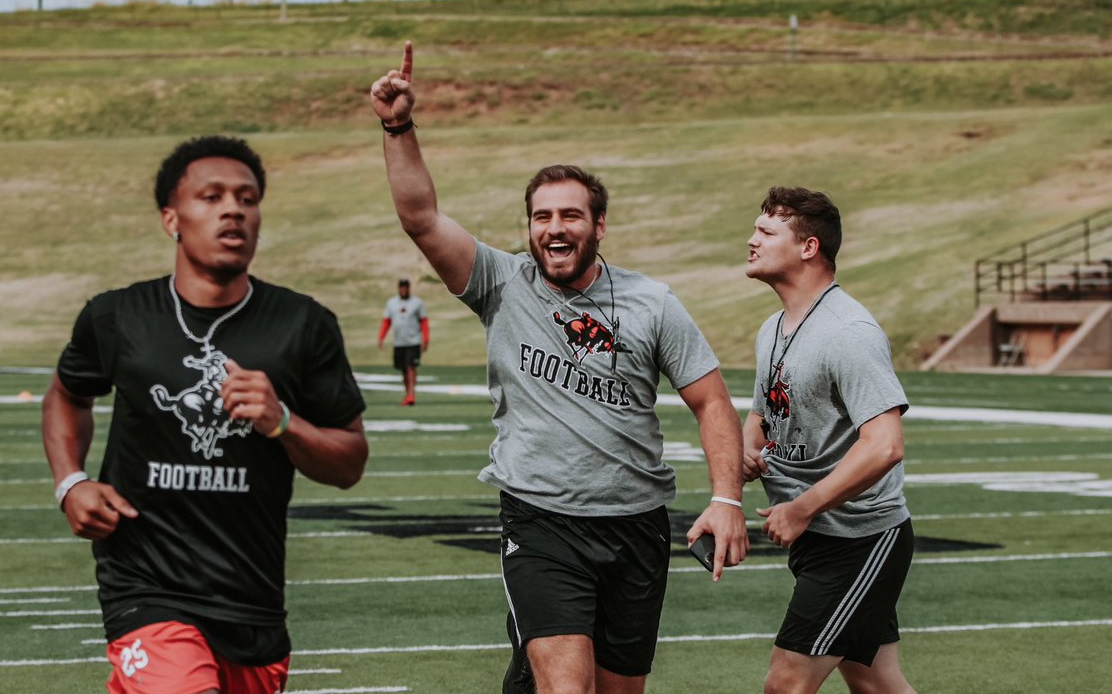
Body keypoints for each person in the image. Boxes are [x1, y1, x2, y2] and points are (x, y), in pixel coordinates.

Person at [370, 42, 748, 694]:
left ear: (599, 225)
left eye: (570, 214)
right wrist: (398, 127)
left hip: (636, 526)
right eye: (541, 216)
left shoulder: (652, 302)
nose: (554, 227)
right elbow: (421, 217)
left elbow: (711, 402)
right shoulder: (501, 282)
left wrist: (726, 500)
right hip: (542, 522)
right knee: (567, 686)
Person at [41, 135, 369, 694]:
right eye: (211, 196)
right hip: (144, 585)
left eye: (246, 198)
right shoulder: (118, 317)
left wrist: (283, 421)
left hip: (253, 601)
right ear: (172, 218)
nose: (233, 209)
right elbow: (68, 394)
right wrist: (71, 481)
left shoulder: (303, 324)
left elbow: (349, 462)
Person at [742, 186, 916, 694]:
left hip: (860, 541)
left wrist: (802, 508)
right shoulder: (773, 327)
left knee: (786, 683)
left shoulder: (849, 332)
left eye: (765, 232)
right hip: (821, 540)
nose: (751, 241)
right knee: (876, 683)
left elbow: (885, 445)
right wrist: (747, 452)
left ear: (808, 248)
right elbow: (761, 412)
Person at [379, 278, 429, 405]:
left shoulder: (417, 303)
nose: (404, 290)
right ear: (398, 288)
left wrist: (426, 339)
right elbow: (387, 321)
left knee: (411, 367)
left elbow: (424, 321)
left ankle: (412, 395)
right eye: (401, 287)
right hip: (399, 342)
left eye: (406, 287)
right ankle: (407, 394)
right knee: (403, 369)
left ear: (409, 288)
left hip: (413, 340)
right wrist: (381, 337)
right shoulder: (391, 303)